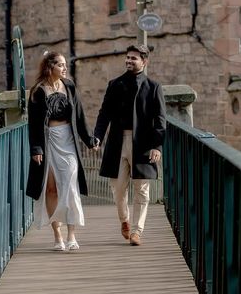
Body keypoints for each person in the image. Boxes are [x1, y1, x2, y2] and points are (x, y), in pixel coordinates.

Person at [93, 44, 166, 246]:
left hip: (143, 144)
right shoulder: (114, 84)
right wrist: (97, 136)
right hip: (117, 142)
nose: (129, 61)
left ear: (144, 61)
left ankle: (137, 231)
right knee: (118, 189)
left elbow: (160, 121)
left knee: (142, 190)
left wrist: (157, 146)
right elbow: (104, 114)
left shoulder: (154, 87)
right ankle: (124, 220)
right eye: (127, 57)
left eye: (133, 58)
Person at [26, 51, 97, 251]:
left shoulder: (70, 86)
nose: (65, 68)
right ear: (50, 67)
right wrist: (36, 148)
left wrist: (89, 140)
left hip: (68, 140)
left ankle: (72, 235)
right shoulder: (38, 91)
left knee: (71, 186)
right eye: (61, 65)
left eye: (65, 65)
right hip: (48, 142)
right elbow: (33, 125)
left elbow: (80, 116)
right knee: (51, 189)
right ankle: (57, 236)